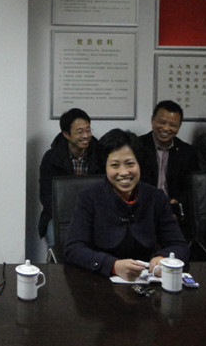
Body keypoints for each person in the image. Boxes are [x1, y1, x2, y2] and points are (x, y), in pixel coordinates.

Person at [63, 129, 189, 281]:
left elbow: (179, 245)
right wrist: (112, 265)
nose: (123, 172)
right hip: (100, 279)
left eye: (130, 164)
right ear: (105, 167)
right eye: (115, 165)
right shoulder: (89, 197)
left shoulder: (156, 197)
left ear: (139, 164)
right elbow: (73, 249)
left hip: (147, 280)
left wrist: (162, 258)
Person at [38, 108, 101, 244]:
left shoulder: (100, 154)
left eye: (88, 130)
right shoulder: (51, 158)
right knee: (57, 241)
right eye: (80, 131)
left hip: (94, 215)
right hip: (59, 216)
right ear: (66, 134)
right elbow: (46, 195)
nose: (86, 135)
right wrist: (65, 215)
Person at [138, 100, 197, 231]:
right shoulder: (137, 146)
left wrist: (177, 202)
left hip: (173, 210)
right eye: (162, 122)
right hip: (143, 208)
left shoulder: (187, 152)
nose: (165, 128)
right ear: (152, 120)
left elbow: (191, 187)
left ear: (179, 126)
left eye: (172, 125)